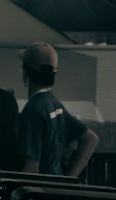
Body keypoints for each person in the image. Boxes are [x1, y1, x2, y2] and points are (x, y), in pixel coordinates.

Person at [17, 43, 98, 179]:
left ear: (26, 72)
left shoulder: (33, 109)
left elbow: (31, 167)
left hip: (40, 193)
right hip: (56, 188)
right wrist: (69, 180)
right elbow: (90, 139)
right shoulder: (54, 103)